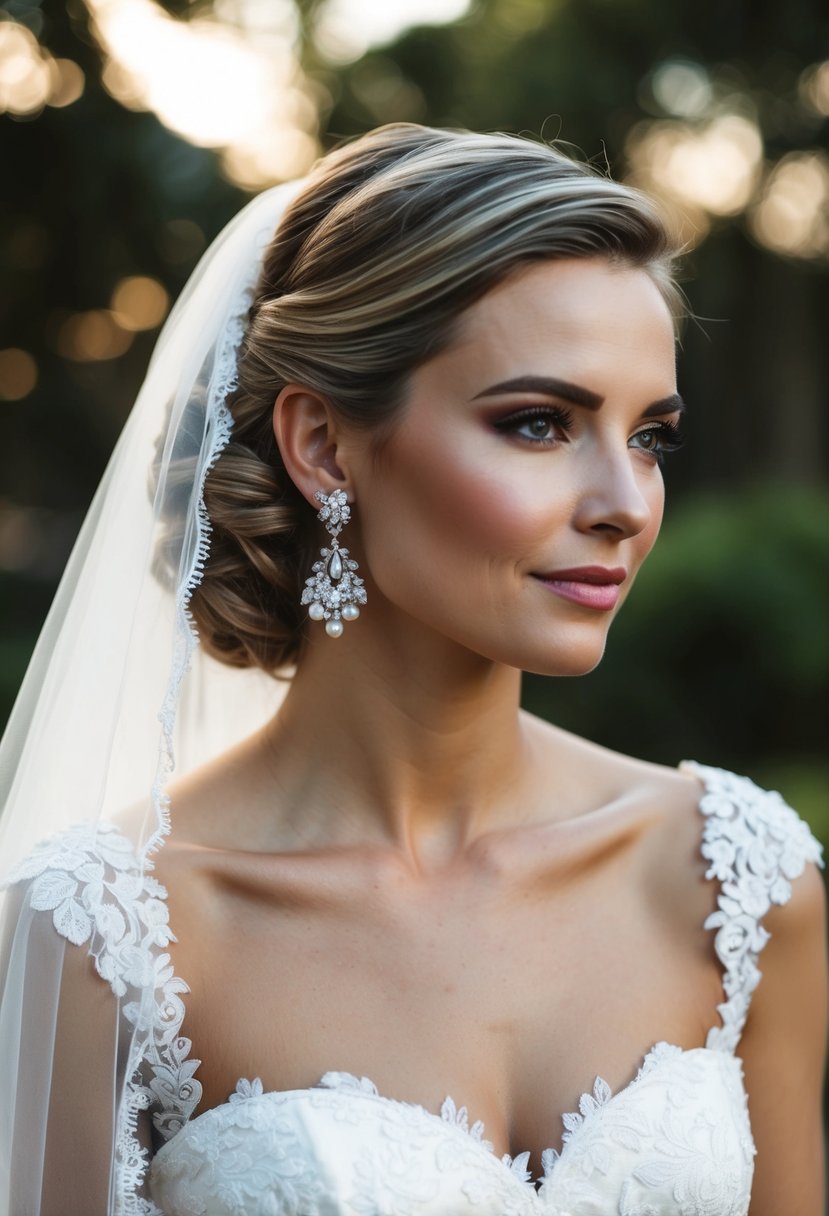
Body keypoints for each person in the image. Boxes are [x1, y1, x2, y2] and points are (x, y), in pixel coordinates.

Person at [0, 123, 825, 1216]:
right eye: (539, 423)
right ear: (323, 446)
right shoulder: (106, 940)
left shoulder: (736, 880)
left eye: (649, 436)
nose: (624, 503)